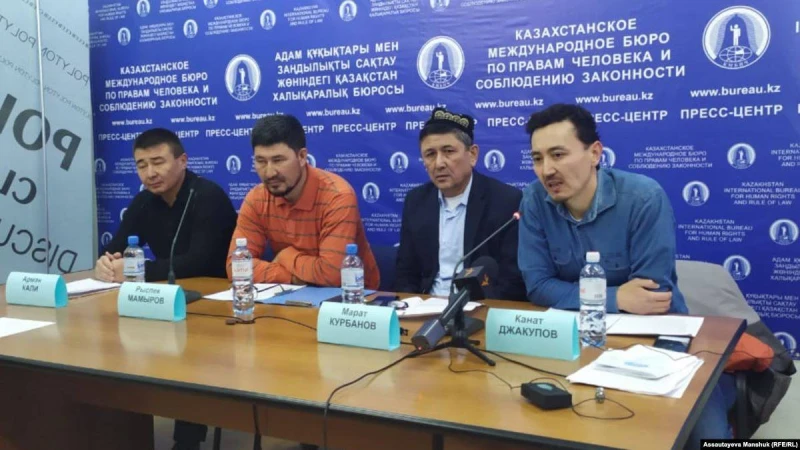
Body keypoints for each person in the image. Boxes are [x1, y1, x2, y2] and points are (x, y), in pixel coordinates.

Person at [518, 104, 735, 448]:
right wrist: (616, 297)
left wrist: (580, 296)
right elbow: (538, 286)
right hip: (576, 339)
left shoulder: (644, 197)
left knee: (702, 435)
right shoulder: (533, 200)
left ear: (595, 153)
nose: (547, 170)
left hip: (659, 341)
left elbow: (652, 298)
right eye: (537, 158)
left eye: (558, 155)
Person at [94, 128, 236, 450]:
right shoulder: (144, 201)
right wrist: (106, 264)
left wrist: (137, 271)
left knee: (191, 353)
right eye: (141, 165)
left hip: (213, 308)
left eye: (158, 162)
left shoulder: (207, 197)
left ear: (182, 161)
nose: (150, 173)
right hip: (164, 301)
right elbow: (116, 248)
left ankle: (187, 440)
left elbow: (201, 262)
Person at [227, 114, 379, 289]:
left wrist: (286, 256)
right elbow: (235, 267)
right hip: (290, 294)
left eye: (278, 160)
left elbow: (332, 275)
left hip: (352, 296)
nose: (269, 173)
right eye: (261, 161)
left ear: (302, 156)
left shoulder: (337, 196)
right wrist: (292, 278)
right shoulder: (257, 198)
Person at [395, 107, 525, 300]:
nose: (439, 163)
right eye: (430, 154)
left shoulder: (505, 200)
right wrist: (411, 305)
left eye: (448, 152)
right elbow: (405, 272)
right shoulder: (416, 201)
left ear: (472, 155)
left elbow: (512, 279)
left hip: (480, 305)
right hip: (425, 305)